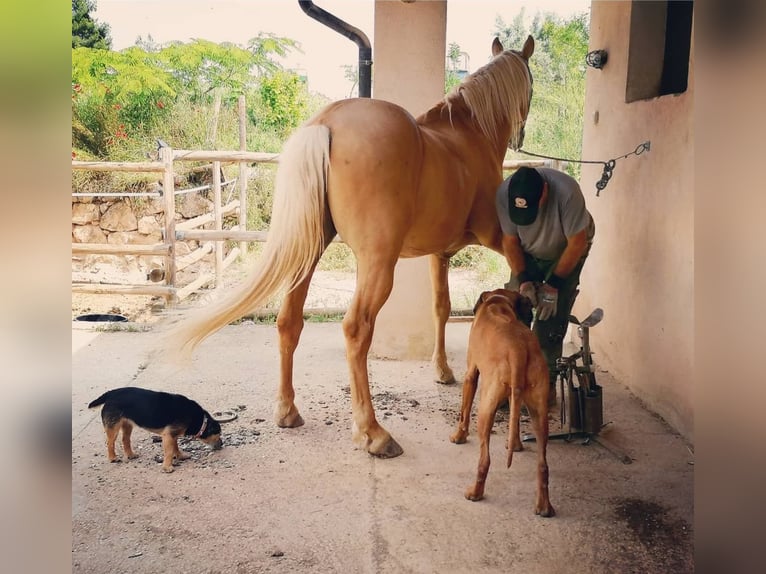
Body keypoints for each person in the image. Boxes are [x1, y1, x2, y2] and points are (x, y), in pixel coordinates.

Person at [495, 166, 595, 400]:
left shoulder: (567, 192)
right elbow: (510, 241)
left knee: (549, 319)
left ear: (545, 193)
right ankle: (509, 382)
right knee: (515, 311)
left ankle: (543, 386)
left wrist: (553, 286)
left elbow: (577, 243)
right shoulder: (504, 193)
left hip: (567, 251)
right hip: (528, 252)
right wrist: (524, 280)